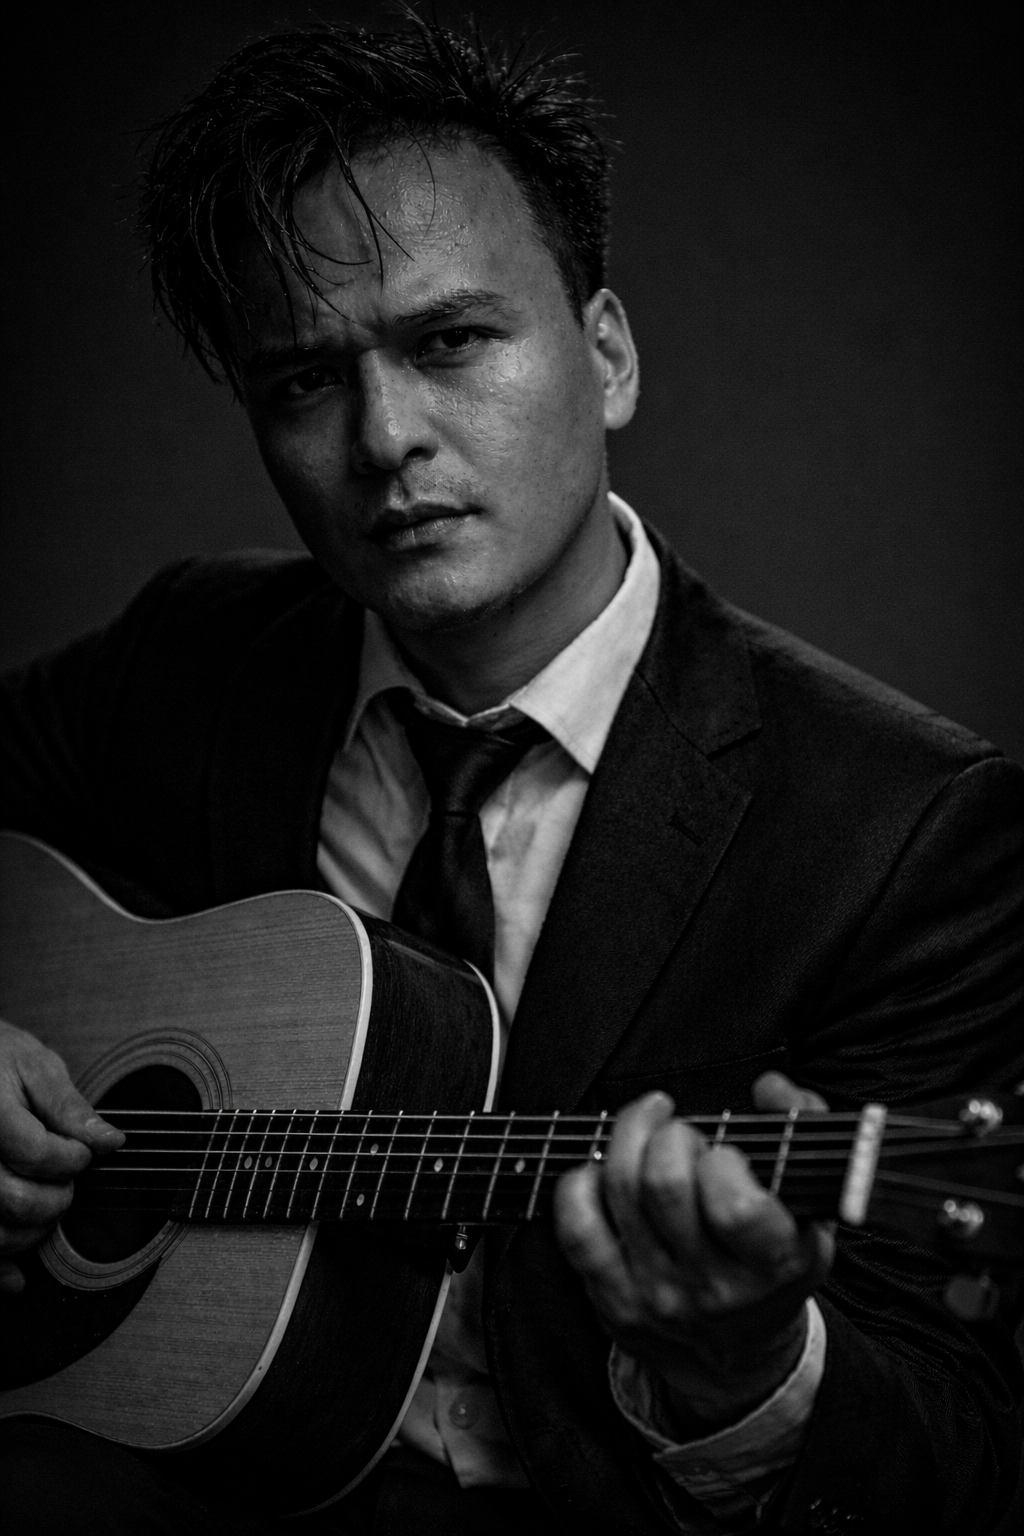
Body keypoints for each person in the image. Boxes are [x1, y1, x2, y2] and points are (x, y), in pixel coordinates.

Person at [0, 19, 1021, 1536]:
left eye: (449, 342)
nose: (387, 438)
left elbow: (964, 1460)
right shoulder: (193, 657)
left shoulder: (903, 829)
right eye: (302, 382)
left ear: (605, 354)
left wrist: (743, 1370)